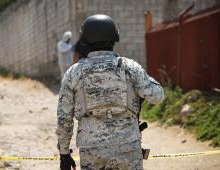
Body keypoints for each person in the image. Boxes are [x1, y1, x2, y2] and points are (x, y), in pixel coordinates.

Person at [56, 14, 164, 170]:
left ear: (85, 40)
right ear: (115, 37)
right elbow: (157, 96)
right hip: (127, 147)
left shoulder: (73, 73)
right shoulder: (130, 67)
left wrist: (64, 154)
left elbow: (64, 118)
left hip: (91, 150)